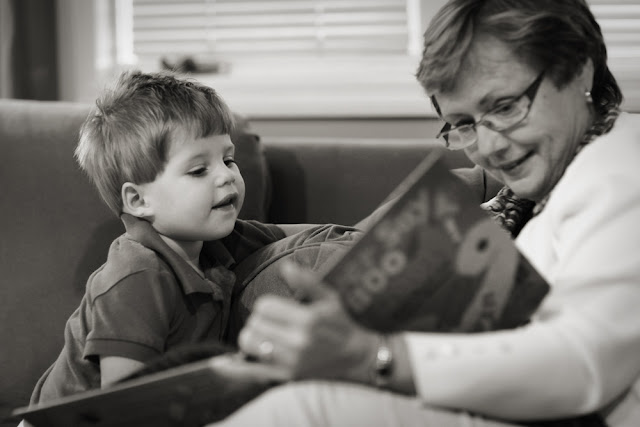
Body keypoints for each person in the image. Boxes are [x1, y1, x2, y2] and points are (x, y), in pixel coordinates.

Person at [208, 0, 640, 426]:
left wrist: (372, 356)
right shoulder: (532, 193)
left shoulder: (622, 171)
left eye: (506, 107)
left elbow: (582, 361)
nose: (489, 147)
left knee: (301, 409)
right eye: (464, 124)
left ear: (579, 70)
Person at [27, 70, 309, 404]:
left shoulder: (221, 240)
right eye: (198, 170)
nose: (226, 176)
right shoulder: (137, 277)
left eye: (228, 159)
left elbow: (314, 235)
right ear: (138, 200)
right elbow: (123, 405)